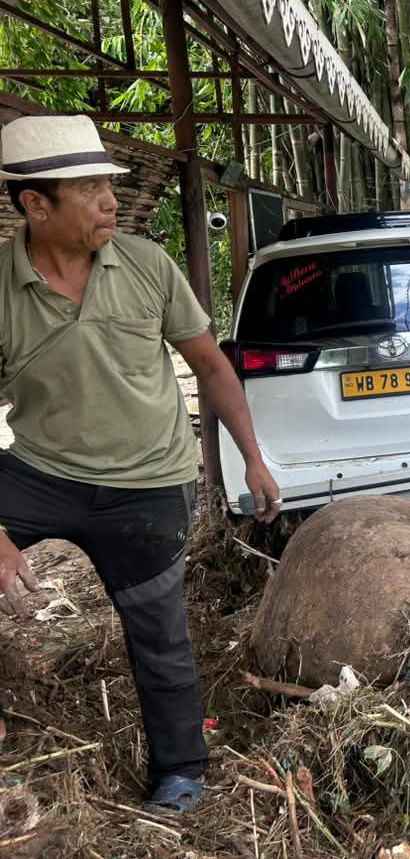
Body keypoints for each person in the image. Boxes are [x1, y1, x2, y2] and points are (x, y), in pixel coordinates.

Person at [0, 115, 281, 812]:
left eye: (110, 184)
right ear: (36, 204)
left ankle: (182, 773)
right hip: (39, 473)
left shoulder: (147, 265)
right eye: (90, 187)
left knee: (158, 632)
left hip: (149, 482)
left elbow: (211, 366)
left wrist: (253, 459)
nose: (110, 200)